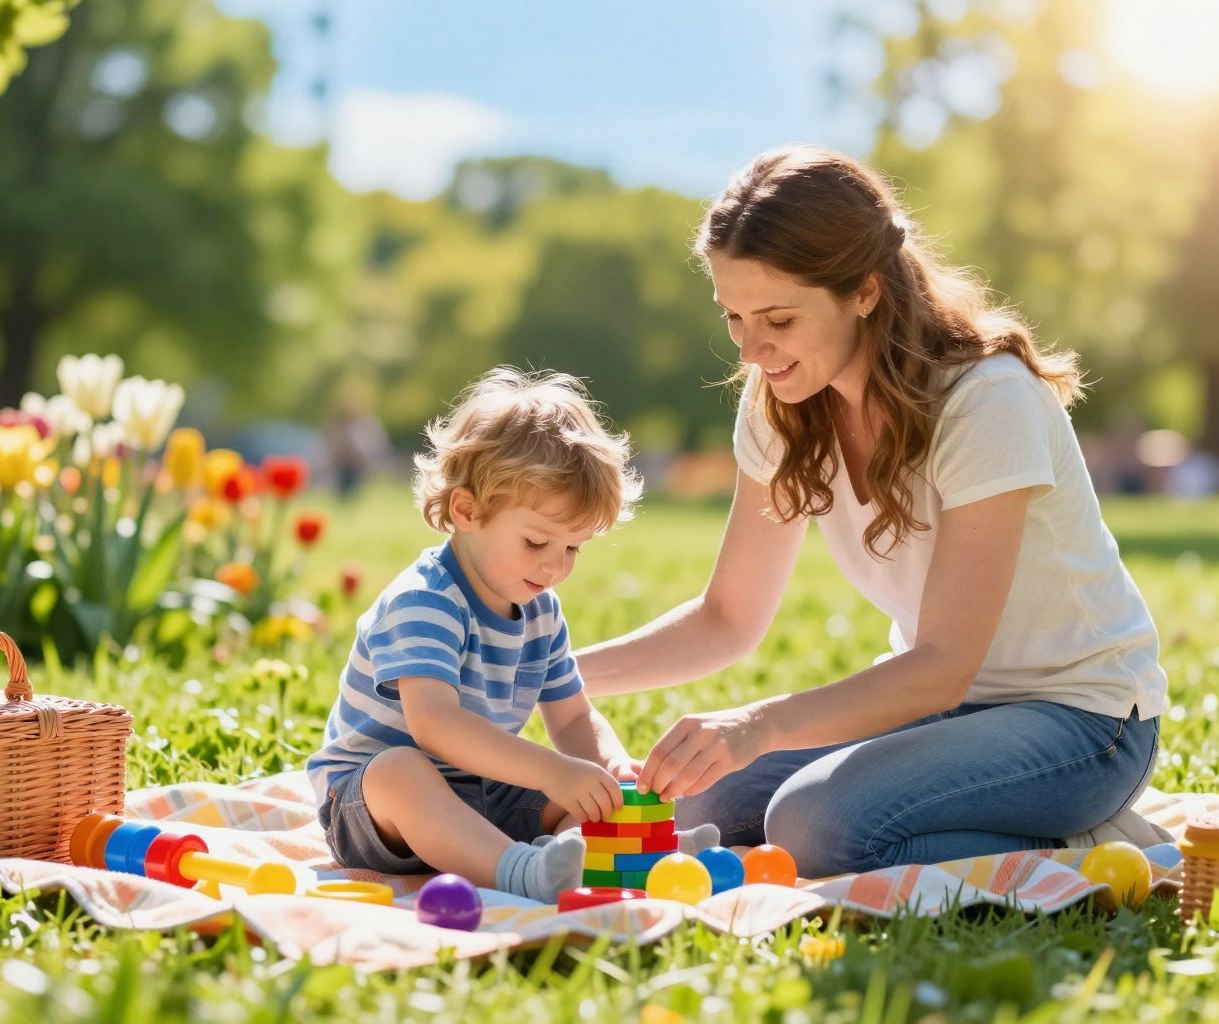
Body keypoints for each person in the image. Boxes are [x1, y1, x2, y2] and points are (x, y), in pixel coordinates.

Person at [575, 145, 1168, 878]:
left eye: (779, 320)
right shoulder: (783, 408)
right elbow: (729, 616)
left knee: (812, 825)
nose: (754, 350)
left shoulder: (986, 399)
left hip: (1081, 721)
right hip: (939, 714)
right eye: (734, 317)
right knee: (699, 804)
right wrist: (555, 676)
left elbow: (945, 667)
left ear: (863, 290)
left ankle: (1084, 845)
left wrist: (758, 725)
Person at [306, 368, 717, 901]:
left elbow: (572, 715)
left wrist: (612, 771)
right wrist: (551, 769)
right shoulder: (425, 602)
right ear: (467, 510)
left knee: (588, 795)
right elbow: (435, 727)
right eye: (536, 542)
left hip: (482, 795)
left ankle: (631, 851)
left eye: (572, 548)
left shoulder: (539, 610)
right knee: (401, 770)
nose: (554, 567)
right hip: (374, 809)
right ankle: (519, 872)